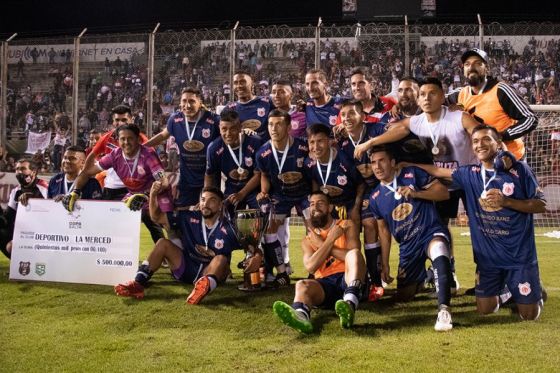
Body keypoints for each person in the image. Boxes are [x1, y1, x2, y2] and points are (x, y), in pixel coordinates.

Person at [410, 125, 545, 321]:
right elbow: (438, 171)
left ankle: (534, 292)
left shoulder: (519, 170)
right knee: (485, 310)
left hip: (519, 258)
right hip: (488, 261)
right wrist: (407, 166)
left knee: (529, 315)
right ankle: (508, 290)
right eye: (475, 141)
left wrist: (507, 202)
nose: (480, 144)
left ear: (498, 144)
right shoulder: (469, 174)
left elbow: (540, 204)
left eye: (486, 139)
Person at [368, 146, 454, 331]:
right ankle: (427, 276)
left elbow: (444, 193)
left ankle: (444, 310)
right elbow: (383, 232)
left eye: (381, 160)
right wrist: (384, 263)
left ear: (392, 162)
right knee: (404, 295)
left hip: (429, 231)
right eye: (373, 162)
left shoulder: (412, 174)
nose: (377, 166)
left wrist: (416, 193)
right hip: (407, 245)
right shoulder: (375, 197)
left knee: (439, 248)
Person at [114, 186, 239, 305]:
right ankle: (138, 283)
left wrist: (256, 255)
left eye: (212, 200)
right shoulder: (188, 217)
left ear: (220, 205)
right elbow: (156, 217)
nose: (205, 204)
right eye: (203, 199)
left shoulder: (229, 228)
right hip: (185, 267)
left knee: (221, 259)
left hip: (208, 272)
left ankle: (203, 288)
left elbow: (251, 246)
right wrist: (153, 194)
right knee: (163, 243)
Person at [272, 191, 367, 334]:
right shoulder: (308, 240)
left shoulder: (346, 225)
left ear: (330, 208)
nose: (315, 207)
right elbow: (311, 266)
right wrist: (329, 240)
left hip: (348, 278)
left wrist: (322, 243)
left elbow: (354, 255)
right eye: (311, 204)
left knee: (354, 254)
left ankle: (350, 304)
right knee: (301, 284)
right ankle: (301, 316)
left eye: (320, 203)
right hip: (324, 285)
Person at [62, 124, 172, 221]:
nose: (126, 142)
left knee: (164, 223)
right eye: (122, 139)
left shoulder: (148, 155)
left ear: (138, 139)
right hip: (134, 195)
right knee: (116, 221)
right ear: (118, 141)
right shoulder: (115, 155)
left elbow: (164, 181)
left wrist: (147, 195)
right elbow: (87, 173)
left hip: (156, 194)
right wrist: (75, 192)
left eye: (130, 138)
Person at [447, 48, 537, 160]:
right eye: (467, 64)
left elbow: (531, 119)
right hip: (479, 160)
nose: (471, 67)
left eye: (478, 63)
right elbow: (431, 103)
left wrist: (501, 136)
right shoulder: (459, 94)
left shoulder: (501, 90)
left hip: (510, 159)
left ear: (487, 69)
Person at [256, 109, 312, 286]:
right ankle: (281, 272)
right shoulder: (263, 153)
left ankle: (314, 271)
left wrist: (315, 196)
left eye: (278, 124)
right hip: (280, 196)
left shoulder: (303, 147)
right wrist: (264, 192)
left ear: (288, 127)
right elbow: (264, 174)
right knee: (269, 229)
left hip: (303, 194)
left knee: (314, 230)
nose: (274, 128)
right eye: (271, 124)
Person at [337, 99, 386, 300]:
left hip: (387, 186)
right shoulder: (343, 144)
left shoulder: (377, 130)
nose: (347, 118)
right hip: (365, 190)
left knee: (376, 225)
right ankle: (366, 279)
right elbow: (356, 180)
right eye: (344, 115)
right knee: (365, 224)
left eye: (352, 113)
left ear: (363, 116)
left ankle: (378, 279)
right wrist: (356, 204)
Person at [145, 87, 220, 208]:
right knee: (182, 212)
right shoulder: (175, 119)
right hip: (187, 179)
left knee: (208, 211)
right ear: (180, 103)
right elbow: (163, 135)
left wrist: (244, 131)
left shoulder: (214, 120)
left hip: (210, 177)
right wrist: (141, 148)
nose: (187, 105)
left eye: (192, 101)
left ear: (200, 103)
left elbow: (229, 135)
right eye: (184, 101)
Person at [305, 123, 364, 225]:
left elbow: (361, 184)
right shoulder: (309, 164)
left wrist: (356, 208)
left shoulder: (345, 160)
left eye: (320, 141)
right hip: (327, 209)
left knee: (351, 237)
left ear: (329, 141)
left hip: (347, 206)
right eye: (312, 142)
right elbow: (314, 182)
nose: (316, 147)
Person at [205, 110, 262, 214]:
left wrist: (241, 194)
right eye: (224, 129)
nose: (228, 134)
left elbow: (258, 175)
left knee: (262, 213)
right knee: (224, 218)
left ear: (240, 128)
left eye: (232, 129)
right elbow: (210, 175)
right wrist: (208, 197)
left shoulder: (255, 142)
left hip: (254, 189)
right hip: (231, 189)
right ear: (219, 128)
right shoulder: (213, 148)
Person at [3, 159, 48, 258]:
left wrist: (34, 199)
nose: (19, 172)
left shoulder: (44, 187)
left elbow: (50, 211)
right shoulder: (16, 191)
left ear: (34, 172)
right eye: (17, 169)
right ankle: (16, 264)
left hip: (42, 231)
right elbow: (9, 216)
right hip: (22, 229)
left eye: (23, 168)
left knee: (11, 246)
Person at [224, 71, 273, 140]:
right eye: (235, 83)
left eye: (242, 82)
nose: (239, 86)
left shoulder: (268, 103)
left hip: (265, 149)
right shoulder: (229, 109)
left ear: (252, 84)